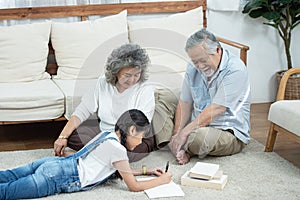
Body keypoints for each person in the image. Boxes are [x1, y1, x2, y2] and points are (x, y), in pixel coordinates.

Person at [0, 109, 172, 199]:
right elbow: (133, 186)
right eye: (141, 137)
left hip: (52, 164)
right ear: (132, 129)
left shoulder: (107, 135)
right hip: (59, 177)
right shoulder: (118, 150)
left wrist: (146, 171)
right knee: (6, 193)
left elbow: (121, 169)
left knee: (8, 176)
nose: (141, 142)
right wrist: (161, 180)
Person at [54, 43, 156, 162]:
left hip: (133, 136)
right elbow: (82, 111)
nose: (132, 80)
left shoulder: (145, 88)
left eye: (136, 75)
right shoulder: (102, 82)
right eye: (127, 75)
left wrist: (112, 142)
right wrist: (63, 137)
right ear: (116, 72)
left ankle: (94, 153)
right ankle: (104, 154)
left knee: (130, 151)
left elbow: (139, 125)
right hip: (104, 132)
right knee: (74, 137)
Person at [168, 29, 250, 164]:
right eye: (195, 62)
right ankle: (175, 142)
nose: (200, 66)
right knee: (163, 97)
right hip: (197, 125)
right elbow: (185, 102)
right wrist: (177, 132)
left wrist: (184, 133)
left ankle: (183, 146)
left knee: (198, 138)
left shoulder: (236, 69)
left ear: (217, 50)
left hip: (227, 132)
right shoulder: (192, 67)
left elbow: (217, 109)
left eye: (203, 60)